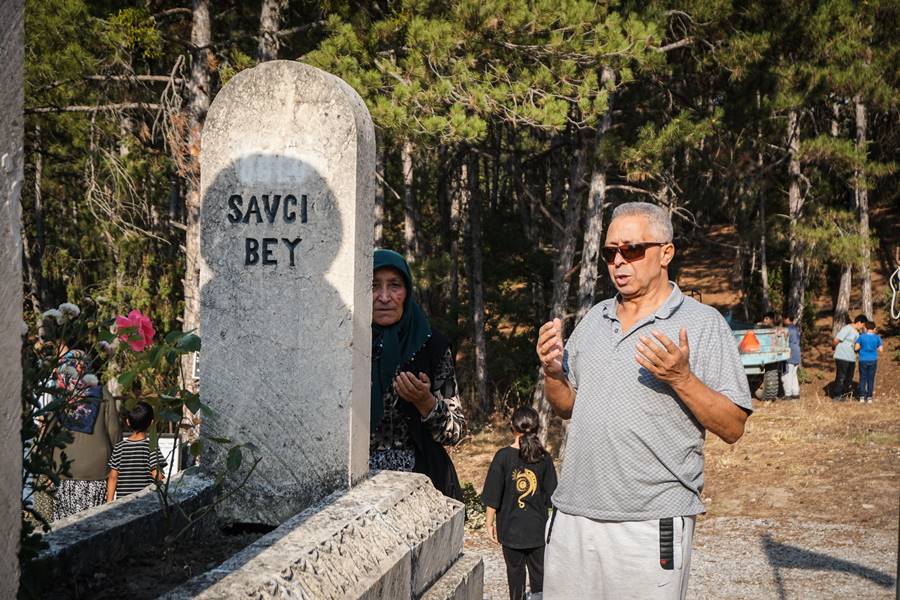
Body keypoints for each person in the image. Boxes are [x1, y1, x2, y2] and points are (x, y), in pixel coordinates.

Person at [535, 202, 752, 600]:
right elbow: (568, 406)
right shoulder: (594, 319)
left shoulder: (703, 324)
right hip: (572, 516)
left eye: (632, 249)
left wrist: (681, 378)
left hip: (650, 522)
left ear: (666, 252)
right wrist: (552, 373)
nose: (618, 261)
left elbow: (733, 426)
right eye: (610, 252)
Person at [370, 249, 466, 500]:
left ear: (408, 291)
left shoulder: (431, 345)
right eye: (373, 286)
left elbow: (456, 432)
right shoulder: (344, 343)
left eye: (394, 286)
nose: (384, 297)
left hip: (419, 486)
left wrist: (426, 403)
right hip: (355, 485)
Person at [482, 406, 557, 600]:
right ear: (537, 428)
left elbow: (493, 493)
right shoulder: (544, 458)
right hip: (538, 532)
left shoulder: (502, 457)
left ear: (512, 427)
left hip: (510, 531)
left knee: (514, 578)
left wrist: (489, 523)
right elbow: (553, 496)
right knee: (540, 581)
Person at [50, 350, 121, 521]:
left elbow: (48, 434)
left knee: (65, 527)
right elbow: (115, 432)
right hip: (97, 470)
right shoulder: (103, 394)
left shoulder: (60, 397)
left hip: (64, 469)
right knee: (93, 524)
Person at [106, 401, 166, 501]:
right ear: (151, 423)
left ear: (128, 422)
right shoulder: (151, 447)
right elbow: (156, 474)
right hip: (145, 502)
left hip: (122, 504)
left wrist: (109, 502)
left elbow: (113, 476)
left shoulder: (119, 447)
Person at [831, 314, 867, 400]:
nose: (863, 327)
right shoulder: (847, 328)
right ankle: (837, 395)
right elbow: (836, 340)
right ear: (859, 322)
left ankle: (844, 395)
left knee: (849, 377)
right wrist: (833, 347)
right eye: (863, 325)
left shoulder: (857, 333)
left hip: (851, 358)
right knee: (841, 376)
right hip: (842, 356)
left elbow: (857, 347)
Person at [854, 321, 883, 403]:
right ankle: (869, 397)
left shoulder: (861, 337)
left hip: (863, 360)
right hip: (873, 360)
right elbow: (881, 350)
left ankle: (862, 397)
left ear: (865, 328)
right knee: (871, 379)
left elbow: (856, 348)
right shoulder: (877, 337)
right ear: (874, 328)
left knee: (863, 378)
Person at [781, 313, 801, 400]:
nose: (783, 320)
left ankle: (788, 394)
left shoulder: (787, 329)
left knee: (787, 375)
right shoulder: (796, 329)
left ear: (787, 319)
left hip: (790, 353)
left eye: (783, 319)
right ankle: (795, 393)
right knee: (794, 374)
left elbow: (784, 342)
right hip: (797, 352)